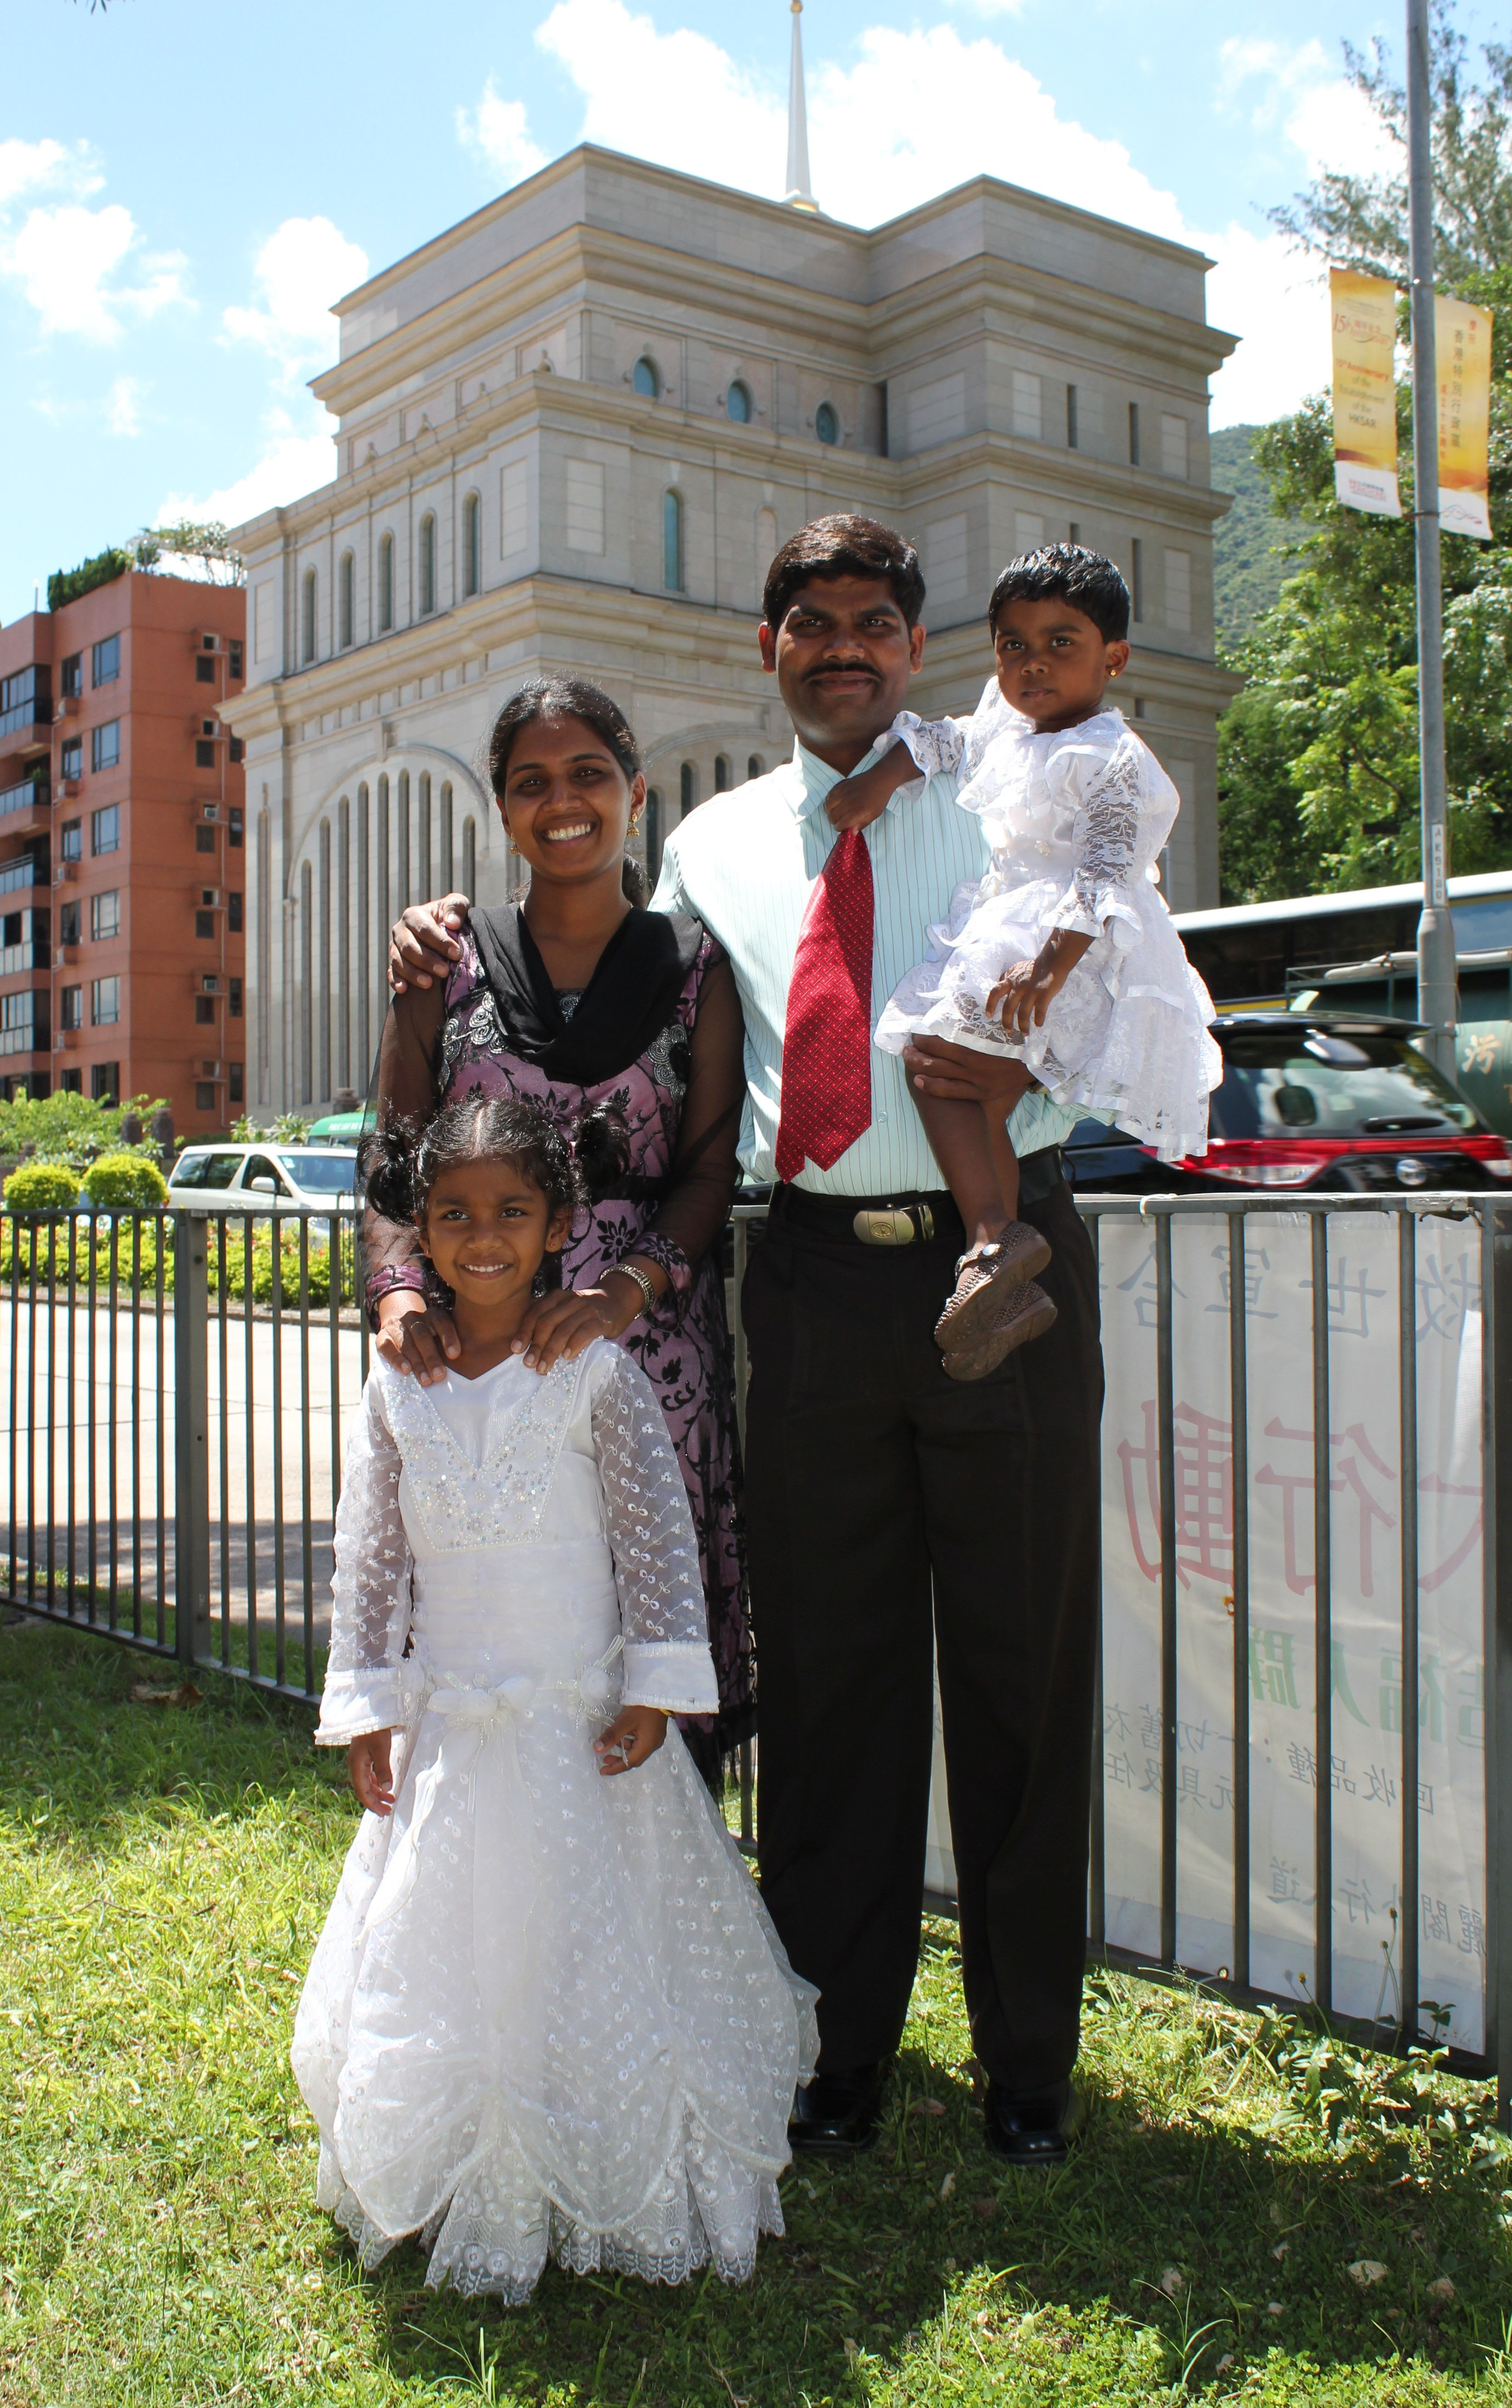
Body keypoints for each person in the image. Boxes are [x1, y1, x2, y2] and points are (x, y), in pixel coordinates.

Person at [391, 515, 1105, 2171]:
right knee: (836, 1680)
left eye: (874, 621)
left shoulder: (1013, 790)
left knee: (1021, 1662)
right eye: (811, 623)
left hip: (1001, 1255)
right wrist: (434, 937)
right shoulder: (711, 848)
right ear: (767, 649)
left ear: (913, 643)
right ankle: (834, 2047)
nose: (843, 646)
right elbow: (595, 971)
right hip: (812, 1285)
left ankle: (1028, 2061)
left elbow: (1114, 937)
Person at [292, 1093, 817, 2305]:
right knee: (449, 1956)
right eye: (455, 1214)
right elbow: (371, 1557)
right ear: (422, 1230)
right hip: (452, 1738)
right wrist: (369, 1704)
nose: (484, 1237)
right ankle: (460, 2158)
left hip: (584, 1737)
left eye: (512, 1213)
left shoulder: (595, 1372)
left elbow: (655, 1540)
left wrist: (657, 1687)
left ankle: (608, 2135)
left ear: (560, 1225)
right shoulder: (398, 1385)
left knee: (597, 1943)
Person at [364, 679, 752, 1783]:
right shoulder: (444, 963)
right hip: (475, 1352)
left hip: (648, 1350)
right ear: (503, 810)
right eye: (531, 782)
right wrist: (400, 1296)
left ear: (636, 793)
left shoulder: (697, 967)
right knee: (490, 1637)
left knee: (646, 1633)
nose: (563, 801)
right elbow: (394, 1158)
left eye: (589, 774)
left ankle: (667, 1872)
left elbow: (707, 1168)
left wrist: (624, 1292)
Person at [824, 543, 1221, 1377]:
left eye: (1060, 643)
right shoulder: (1007, 731)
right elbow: (944, 741)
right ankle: (995, 1261)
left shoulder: (1112, 756)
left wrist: (1049, 968)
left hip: (1078, 950)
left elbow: (1107, 875)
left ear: (1114, 658)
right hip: (1020, 930)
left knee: (936, 1060)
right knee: (953, 1083)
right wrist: (882, 780)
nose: (1033, 663)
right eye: (1014, 645)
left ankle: (995, 1239)